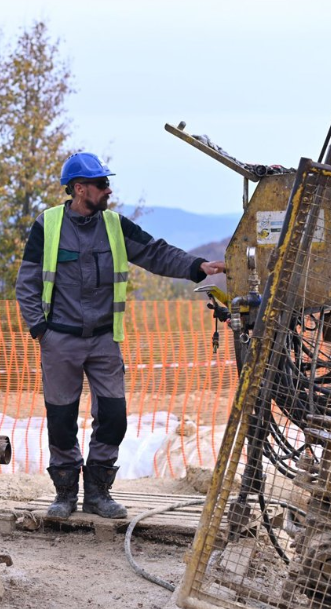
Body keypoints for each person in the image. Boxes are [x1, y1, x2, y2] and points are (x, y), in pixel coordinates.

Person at [15, 153, 225, 520]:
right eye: (100, 184)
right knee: (61, 419)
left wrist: (196, 267)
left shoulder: (114, 225)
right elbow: (27, 282)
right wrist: (40, 330)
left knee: (114, 416)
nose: (107, 189)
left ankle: (98, 494)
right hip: (59, 340)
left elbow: (156, 253)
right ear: (80, 189)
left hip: (103, 340)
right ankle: (65, 495)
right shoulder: (47, 225)